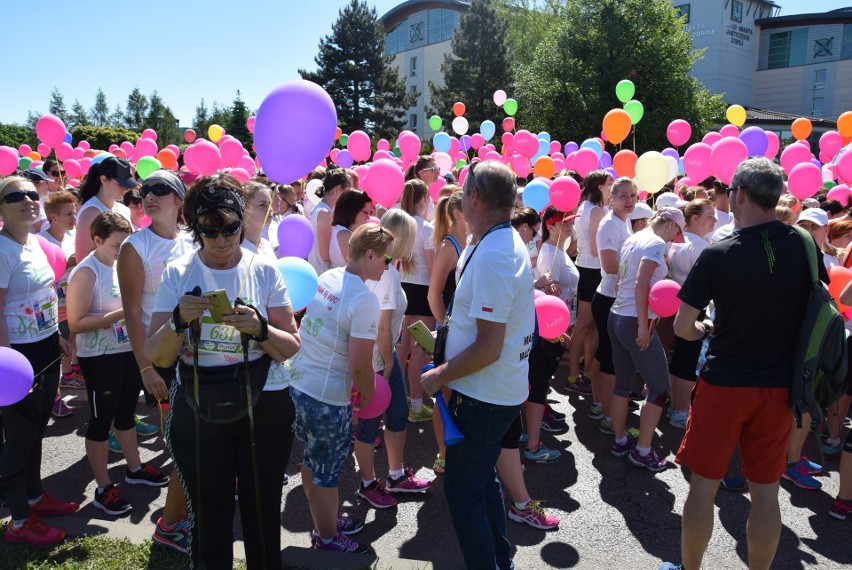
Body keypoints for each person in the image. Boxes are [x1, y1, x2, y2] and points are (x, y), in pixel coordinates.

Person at [661, 157, 826, 570]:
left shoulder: (719, 253)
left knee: (703, 491)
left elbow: (683, 327)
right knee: (766, 494)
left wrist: (704, 327)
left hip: (725, 384)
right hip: (779, 387)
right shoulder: (804, 244)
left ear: (740, 194)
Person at [145, 174, 301, 569]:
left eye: (230, 227)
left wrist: (260, 328)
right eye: (209, 230)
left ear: (242, 221)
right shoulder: (178, 272)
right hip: (201, 405)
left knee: (263, 510)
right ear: (195, 227)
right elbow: (158, 356)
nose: (221, 239)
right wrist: (179, 322)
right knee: (210, 514)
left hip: (263, 402)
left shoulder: (264, 268)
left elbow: (290, 347)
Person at [421, 160, 536, 570]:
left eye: (462, 190)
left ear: (473, 197)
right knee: (481, 480)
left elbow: (489, 346)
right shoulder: (488, 241)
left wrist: (439, 375)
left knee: (462, 492)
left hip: (484, 394)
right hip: (490, 390)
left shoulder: (494, 254)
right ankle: (499, 561)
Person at [286, 223, 391, 554]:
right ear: (369, 254)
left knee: (312, 461)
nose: (388, 265)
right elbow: (360, 365)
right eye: (385, 258)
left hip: (298, 384)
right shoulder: (364, 299)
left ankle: (324, 520)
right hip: (328, 398)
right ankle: (327, 538)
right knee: (328, 473)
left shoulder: (328, 277)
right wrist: (369, 397)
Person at [67, 211, 169, 516]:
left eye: (126, 245)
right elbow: (75, 323)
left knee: (126, 415)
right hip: (99, 358)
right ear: (97, 240)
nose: (121, 251)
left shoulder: (120, 265)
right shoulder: (87, 272)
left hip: (127, 351)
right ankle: (102, 487)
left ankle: (134, 469)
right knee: (101, 421)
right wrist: (121, 314)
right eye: (115, 245)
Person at [117, 169, 194, 552]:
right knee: (179, 437)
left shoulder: (193, 241)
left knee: (188, 434)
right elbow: (131, 312)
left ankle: (183, 509)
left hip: (193, 353)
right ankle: (170, 524)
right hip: (159, 355)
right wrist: (145, 367)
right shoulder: (136, 246)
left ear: (179, 200)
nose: (149, 195)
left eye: (160, 190)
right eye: (145, 190)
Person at [0, 176, 79, 546]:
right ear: (1, 207)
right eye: (15, 196)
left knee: (36, 431)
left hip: (45, 347)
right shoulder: (1, 250)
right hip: (18, 357)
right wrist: (8, 366)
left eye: (32, 194)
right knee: (18, 439)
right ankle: (17, 519)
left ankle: (33, 496)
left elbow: (45, 295)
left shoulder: (34, 242)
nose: (28, 200)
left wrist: (57, 337)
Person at [355, 210, 432, 509]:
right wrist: (387, 364)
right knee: (369, 422)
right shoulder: (388, 273)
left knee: (398, 414)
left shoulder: (390, 268)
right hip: (377, 358)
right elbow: (383, 326)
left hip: (383, 356)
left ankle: (396, 476)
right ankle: (367, 483)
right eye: (412, 234)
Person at [608, 206, 685, 471]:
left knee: (622, 383)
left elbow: (619, 280)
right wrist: (643, 325)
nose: (674, 241)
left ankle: (620, 441)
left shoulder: (634, 237)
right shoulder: (655, 242)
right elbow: (641, 284)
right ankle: (642, 450)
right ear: (671, 226)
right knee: (659, 386)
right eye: (676, 234)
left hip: (617, 314)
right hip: (634, 320)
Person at [524, 206, 579, 463]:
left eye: (571, 221)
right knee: (539, 378)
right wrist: (558, 333)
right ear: (551, 226)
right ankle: (537, 420)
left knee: (542, 378)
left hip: (560, 325)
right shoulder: (548, 253)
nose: (570, 226)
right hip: (550, 329)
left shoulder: (559, 251)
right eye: (565, 222)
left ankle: (539, 413)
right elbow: (544, 299)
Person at [590, 177, 637, 435]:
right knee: (609, 359)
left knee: (604, 354)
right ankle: (608, 414)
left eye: (632, 196)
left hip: (613, 297)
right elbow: (609, 266)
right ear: (612, 198)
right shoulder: (610, 224)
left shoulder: (623, 221)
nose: (629, 201)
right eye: (623, 196)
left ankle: (600, 403)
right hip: (609, 298)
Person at [667, 199, 716, 429]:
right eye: (710, 215)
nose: (715, 220)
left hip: (674, 306)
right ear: (694, 218)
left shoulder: (677, 242)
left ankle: (674, 406)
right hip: (691, 309)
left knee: (679, 359)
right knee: (687, 362)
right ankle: (679, 411)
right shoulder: (699, 247)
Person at [426, 190, 466, 472]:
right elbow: (433, 296)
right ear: (458, 214)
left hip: (468, 333)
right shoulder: (448, 247)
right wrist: (447, 331)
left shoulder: (474, 242)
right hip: (451, 335)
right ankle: (443, 454)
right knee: (445, 395)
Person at [568, 170, 614, 394]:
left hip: (591, 269)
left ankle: (586, 371)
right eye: (609, 183)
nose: (612, 187)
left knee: (593, 325)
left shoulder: (588, 207)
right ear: (599, 187)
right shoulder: (594, 210)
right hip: (590, 270)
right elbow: (597, 250)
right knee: (584, 325)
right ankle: (573, 375)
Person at [399, 179, 436, 423]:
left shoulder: (400, 225)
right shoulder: (427, 229)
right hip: (423, 292)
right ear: (424, 199)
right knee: (419, 352)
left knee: (401, 350)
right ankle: (415, 404)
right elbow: (434, 269)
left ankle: (398, 400)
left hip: (402, 290)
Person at [40, 190, 79, 415]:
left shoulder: (72, 237)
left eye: (74, 213)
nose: (74, 219)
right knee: (53, 352)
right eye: (68, 214)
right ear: (53, 217)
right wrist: (68, 263)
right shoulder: (41, 241)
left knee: (67, 344)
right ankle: (53, 398)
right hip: (51, 307)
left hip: (71, 302)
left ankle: (66, 379)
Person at [307, 168, 350, 275]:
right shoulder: (324, 213)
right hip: (322, 273)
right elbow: (325, 255)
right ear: (339, 188)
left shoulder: (321, 209)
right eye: (347, 191)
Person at [330, 189, 373, 268]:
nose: (368, 217)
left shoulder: (343, 232)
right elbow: (360, 267)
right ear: (353, 210)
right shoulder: (345, 235)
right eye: (366, 213)